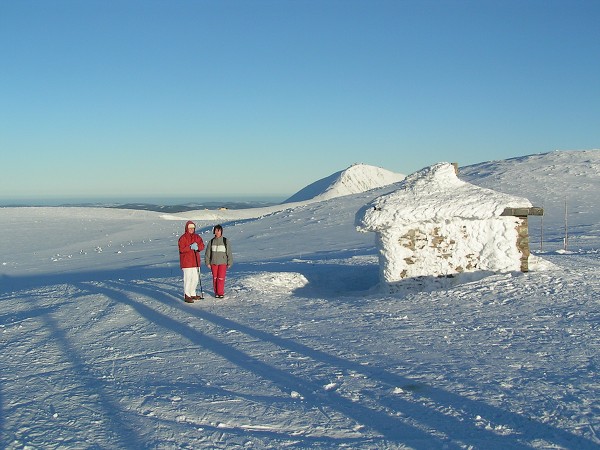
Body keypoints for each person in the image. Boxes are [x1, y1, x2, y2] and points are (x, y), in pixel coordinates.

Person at [178, 220, 205, 303]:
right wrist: (190, 247)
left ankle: (193, 293)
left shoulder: (197, 237)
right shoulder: (183, 238)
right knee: (188, 279)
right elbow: (181, 249)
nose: (191, 230)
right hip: (187, 262)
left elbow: (202, 246)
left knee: (195, 278)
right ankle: (187, 295)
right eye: (190, 228)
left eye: (193, 228)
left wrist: (198, 247)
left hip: (196, 261)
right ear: (187, 228)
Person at [205, 224, 232, 298]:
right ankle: (216, 292)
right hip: (213, 262)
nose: (217, 232)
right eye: (216, 230)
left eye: (218, 230)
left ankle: (220, 293)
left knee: (221, 278)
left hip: (222, 262)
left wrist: (229, 262)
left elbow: (229, 252)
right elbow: (208, 253)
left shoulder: (225, 241)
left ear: (221, 231)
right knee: (215, 278)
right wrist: (207, 262)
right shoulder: (211, 241)